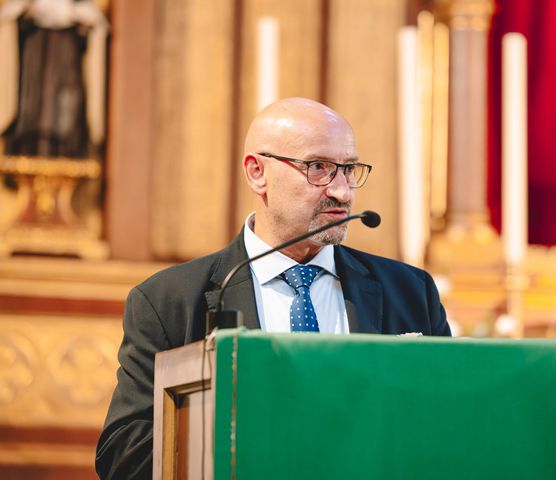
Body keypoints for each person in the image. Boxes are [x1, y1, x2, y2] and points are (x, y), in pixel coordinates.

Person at [95, 97, 450, 478]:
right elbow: (123, 452)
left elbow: (448, 423)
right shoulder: (170, 300)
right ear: (257, 172)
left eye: (349, 170)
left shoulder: (411, 291)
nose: (343, 192)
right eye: (320, 168)